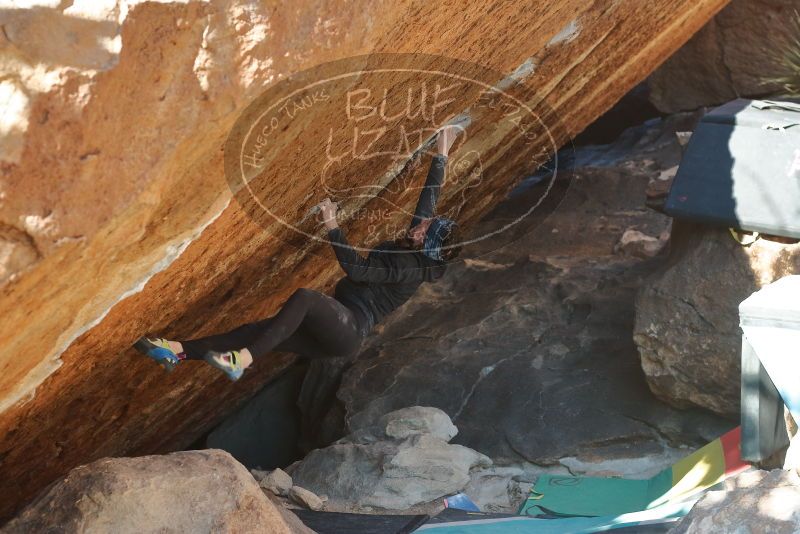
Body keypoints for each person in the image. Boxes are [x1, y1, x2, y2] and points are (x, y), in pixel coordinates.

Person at [134, 125, 464, 381]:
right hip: (336, 329)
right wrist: (443, 150)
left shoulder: (410, 269)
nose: (420, 226)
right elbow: (428, 201)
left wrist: (332, 225)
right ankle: (175, 352)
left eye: (425, 231)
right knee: (252, 333)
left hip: (348, 329)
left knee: (305, 298)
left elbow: (358, 272)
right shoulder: (419, 243)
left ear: (427, 247)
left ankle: (242, 361)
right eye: (426, 225)